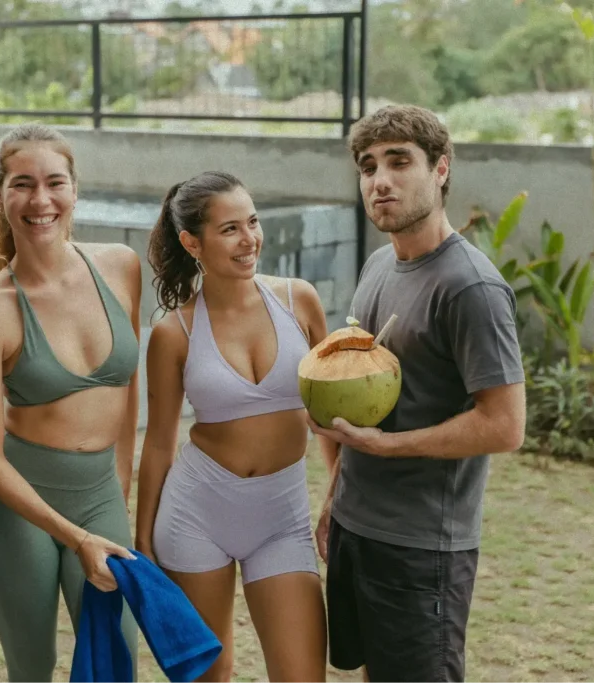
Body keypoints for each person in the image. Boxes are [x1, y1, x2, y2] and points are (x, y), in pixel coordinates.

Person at [309, 104, 527, 683]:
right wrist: (336, 496)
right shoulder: (380, 264)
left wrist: (387, 447)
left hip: (422, 547)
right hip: (359, 525)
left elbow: (504, 425)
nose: (380, 180)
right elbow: (361, 393)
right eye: (368, 165)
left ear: (441, 169)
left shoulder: (471, 287)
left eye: (399, 161)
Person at [0, 123, 142, 683]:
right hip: (17, 508)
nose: (41, 200)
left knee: (115, 663)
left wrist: (119, 484)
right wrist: (76, 536)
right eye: (23, 184)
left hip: (99, 494)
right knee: (33, 668)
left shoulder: (121, 266)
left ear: (75, 189)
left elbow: (128, 390)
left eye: (54, 182)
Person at [135, 170, 335, 683]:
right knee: (209, 676)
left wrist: (338, 494)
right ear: (191, 242)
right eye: (229, 229)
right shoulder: (174, 332)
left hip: (282, 517)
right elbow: (158, 444)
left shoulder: (300, 301)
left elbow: (330, 415)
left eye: (253, 222)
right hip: (196, 516)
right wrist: (144, 547)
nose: (250, 240)